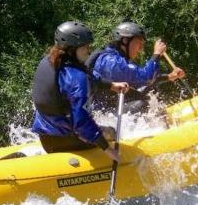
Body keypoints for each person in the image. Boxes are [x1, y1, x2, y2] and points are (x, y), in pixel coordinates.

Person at [31, 21, 129, 161]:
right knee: (111, 132)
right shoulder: (77, 77)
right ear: (71, 49)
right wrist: (107, 149)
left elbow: (80, 80)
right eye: (85, 47)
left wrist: (110, 85)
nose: (88, 51)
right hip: (69, 141)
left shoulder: (49, 62)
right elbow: (81, 121)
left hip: (47, 139)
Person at [86, 21, 186, 111]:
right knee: (141, 103)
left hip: (109, 107)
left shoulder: (116, 58)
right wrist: (156, 54)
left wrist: (170, 76)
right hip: (100, 115)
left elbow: (140, 81)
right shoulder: (112, 62)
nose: (140, 49)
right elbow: (146, 77)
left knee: (149, 91)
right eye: (139, 44)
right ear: (125, 41)